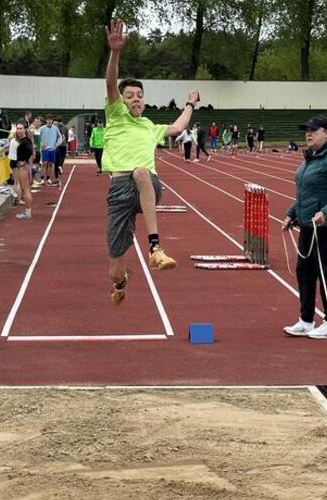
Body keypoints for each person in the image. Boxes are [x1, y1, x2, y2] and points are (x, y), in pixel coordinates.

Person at [102, 19, 199, 304]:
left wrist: (190, 103)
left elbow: (178, 127)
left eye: (140, 96)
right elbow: (110, 83)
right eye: (130, 96)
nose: (136, 99)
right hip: (119, 190)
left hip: (147, 185)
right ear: (121, 100)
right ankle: (121, 282)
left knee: (142, 172)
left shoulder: (150, 126)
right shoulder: (115, 116)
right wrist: (115, 53)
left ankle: (155, 248)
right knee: (114, 268)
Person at [282, 115, 327, 339]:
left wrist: (325, 212)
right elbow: (306, 193)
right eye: (306, 130)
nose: (308, 134)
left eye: (314, 130)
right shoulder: (310, 157)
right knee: (305, 274)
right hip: (307, 226)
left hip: (326, 227)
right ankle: (306, 320)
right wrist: (292, 214)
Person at [9, 123, 34, 220]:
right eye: (17, 128)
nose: (18, 130)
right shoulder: (24, 140)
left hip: (23, 167)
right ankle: (27, 212)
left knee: (26, 190)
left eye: (20, 128)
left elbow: (30, 151)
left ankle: (28, 213)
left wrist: (24, 161)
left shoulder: (25, 141)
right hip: (23, 166)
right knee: (25, 189)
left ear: (25, 129)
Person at [39, 115, 63, 185]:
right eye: (48, 119)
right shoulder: (42, 128)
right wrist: (41, 144)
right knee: (44, 164)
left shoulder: (55, 129)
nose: (49, 121)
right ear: (46, 120)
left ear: (52, 120)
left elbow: (60, 137)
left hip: (52, 149)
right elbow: (37, 136)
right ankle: (42, 178)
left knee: (50, 164)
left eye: (50, 119)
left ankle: (48, 178)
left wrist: (56, 145)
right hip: (45, 149)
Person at [54, 115, 68, 184]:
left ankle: (57, 171)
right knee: (62, 157)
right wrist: (66, 142)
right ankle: (60, 165)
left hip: (57, 145)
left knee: (57, 159)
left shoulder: (55, 127)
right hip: (63, 144)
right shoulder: (65, 127)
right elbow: (67, 136)